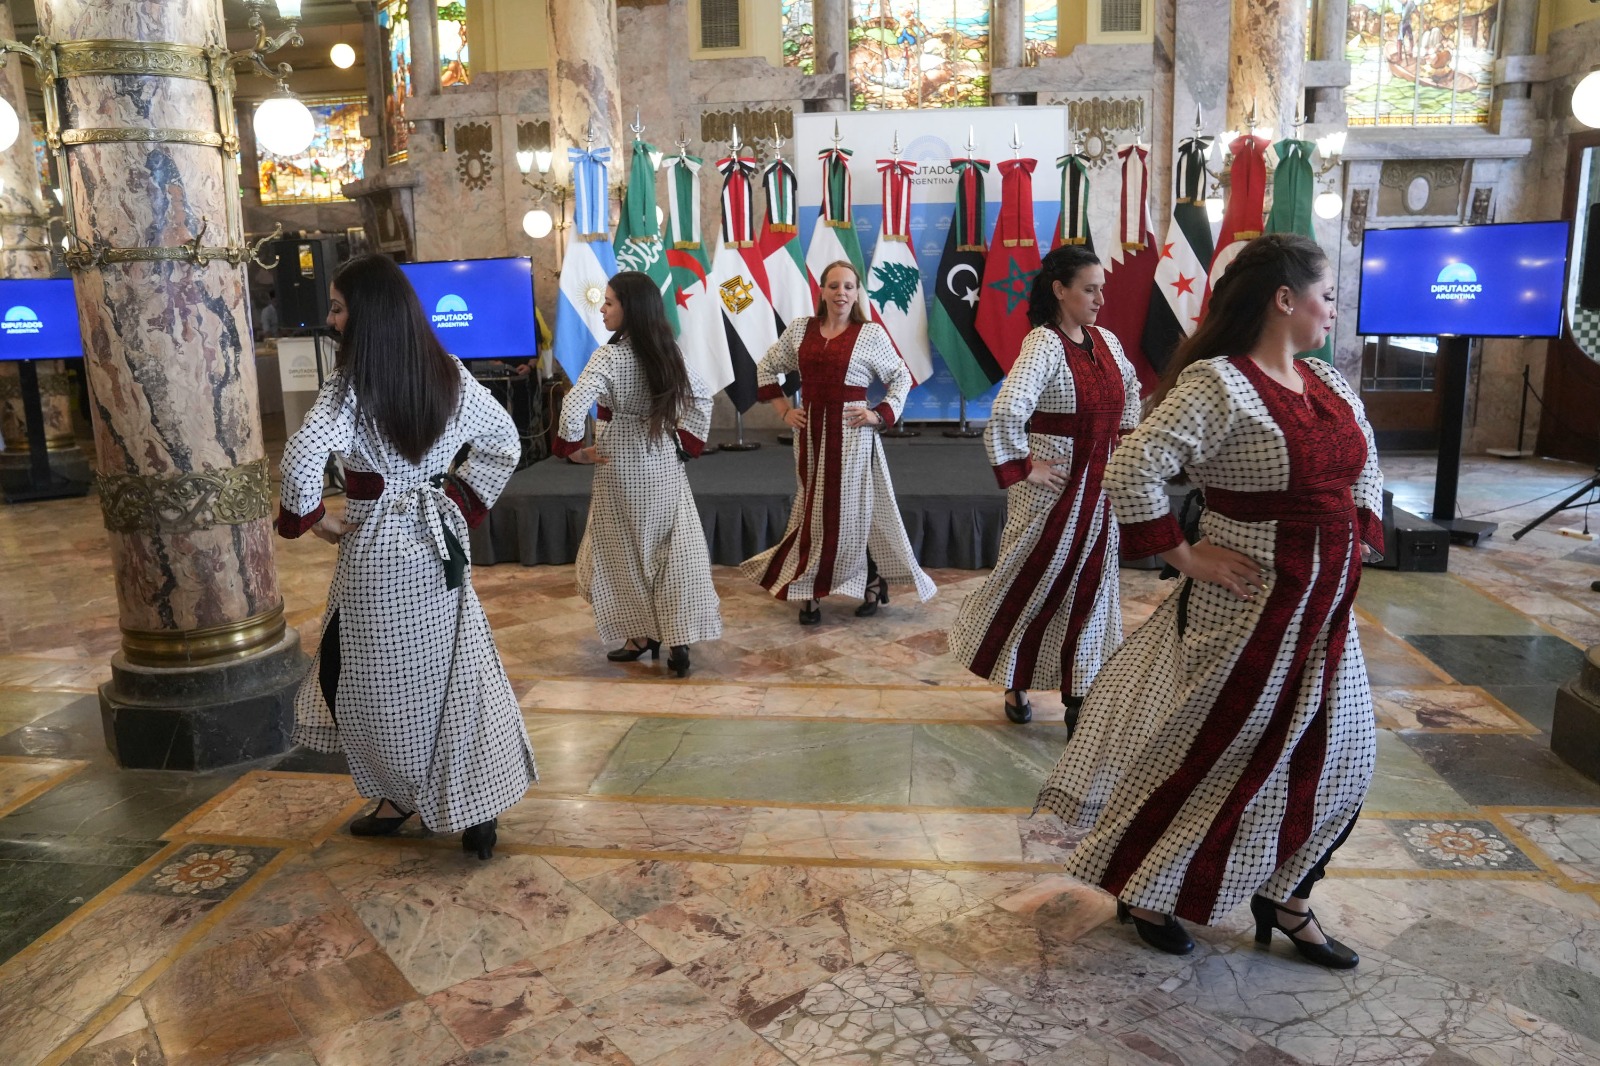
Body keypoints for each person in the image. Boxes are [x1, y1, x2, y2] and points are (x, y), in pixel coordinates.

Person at [1035, 233, 1383, 969]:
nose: (1334, 308)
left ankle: (1287, 896)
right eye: (1326, 295)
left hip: (1326, 615)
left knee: (1343, 759)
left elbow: (1367, 460)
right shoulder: (1219, 383)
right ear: (1284, 300)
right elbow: (1131, 469)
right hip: (1248, 612)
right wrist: (1186, 555)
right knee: (1217, 754)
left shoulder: (1326, 381)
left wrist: (1357, 533)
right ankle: (1146, 888)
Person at [276, 253, 536, 862]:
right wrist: (460, 500)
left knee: (382, 685)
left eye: (338, 308)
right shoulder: (449, 372)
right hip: (441, 541)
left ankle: (401, 796)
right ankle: (476, 801)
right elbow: (505, 442)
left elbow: (300, 457)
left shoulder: (350, 386)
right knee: (459, 672)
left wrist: (312, 519)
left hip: (377, 549)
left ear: (369, 313)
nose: (332, 320)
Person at [947, 246, 1141, 728]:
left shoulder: (1107, 341)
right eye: (1089, 290)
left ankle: (1080, 689)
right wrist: (1024, 466)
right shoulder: (1044, 343)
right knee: (1032, 584)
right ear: (1060, 290)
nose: (1100, 299)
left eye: (1101, 289)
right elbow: (1008, 409)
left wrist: (1127, 443)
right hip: (1052, 494)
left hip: (1101, 492)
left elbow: (1133, 391)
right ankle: (1015, 677)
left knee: (1092, 587)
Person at [741, 260, 937, 623]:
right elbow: (766, 366)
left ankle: (869, 578)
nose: (841, 293)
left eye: (848, 287)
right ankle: (810, 589)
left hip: (852, 435)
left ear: (857, 292)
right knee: (813, 510)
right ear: (822, 291)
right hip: (810, 434)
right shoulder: (801, 329)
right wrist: (784, 411)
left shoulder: (871, 334)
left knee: (850, 512)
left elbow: (900, 377)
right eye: (834, 286)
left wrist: (879, 414)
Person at [554, 271, 722, 677]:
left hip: (619, 463)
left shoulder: (608, 357)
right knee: (672, 552)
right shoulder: (667, 351)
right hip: (663, 459)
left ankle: (640, 636)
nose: (602, 308)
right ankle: (678, 638)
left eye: (609, 302)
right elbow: (702, 397)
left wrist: (572, 449)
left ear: (630, 309)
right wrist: (688, 442)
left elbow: (573, 406)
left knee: (625, 554)